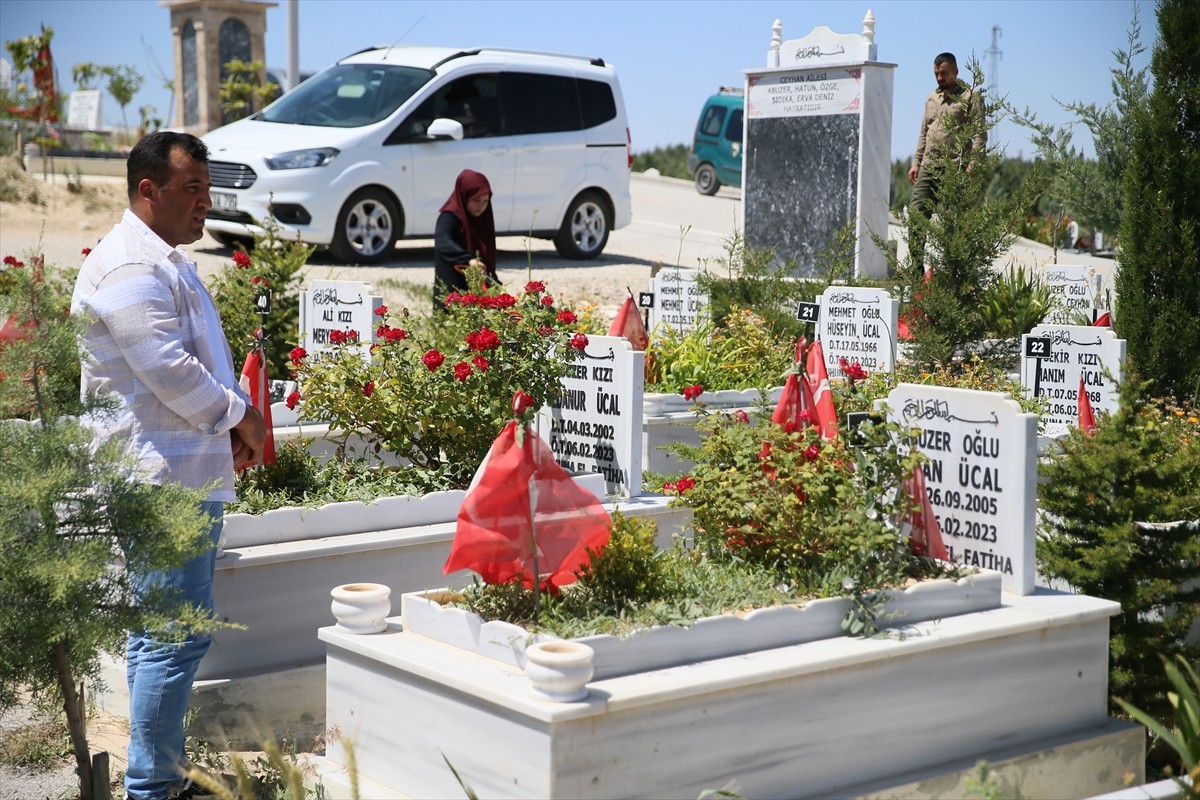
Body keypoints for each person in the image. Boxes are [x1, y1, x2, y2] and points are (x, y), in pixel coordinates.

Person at [71, 131, 266, 800]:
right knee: (173, 638)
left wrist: (232, 424)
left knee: (161, 636)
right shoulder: (129, 265)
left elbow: (193, 365)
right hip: (160, 485)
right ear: (147, 190)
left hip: (180, 474)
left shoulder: (161, 258)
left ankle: (155, 775)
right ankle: (153, 787)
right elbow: (169, 371)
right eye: (192, 190)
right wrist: (242, 417)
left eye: (207, 192)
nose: (204, 205)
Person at [906, 52, 987, 268]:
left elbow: (980, 134)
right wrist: (916, 162)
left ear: (955, 71)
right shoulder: (931, 98)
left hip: (955, 169)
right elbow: (924, 132)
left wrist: (974, 164)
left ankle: (952, 272)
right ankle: (915, 270)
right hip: (928, 168)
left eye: (943, 73)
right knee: (916, 215)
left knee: (953, 223)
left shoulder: (970, 97)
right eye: (936, 74)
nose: (939, 78)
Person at [433, 169, 499, 311]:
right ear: (464, 196)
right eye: (476, 200)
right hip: (452, 292)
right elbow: (443, 243)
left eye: (486, 201)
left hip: (476, 295)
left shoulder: (482, 218)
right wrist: (468, 259)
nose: (481, 206)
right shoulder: (449, 217)